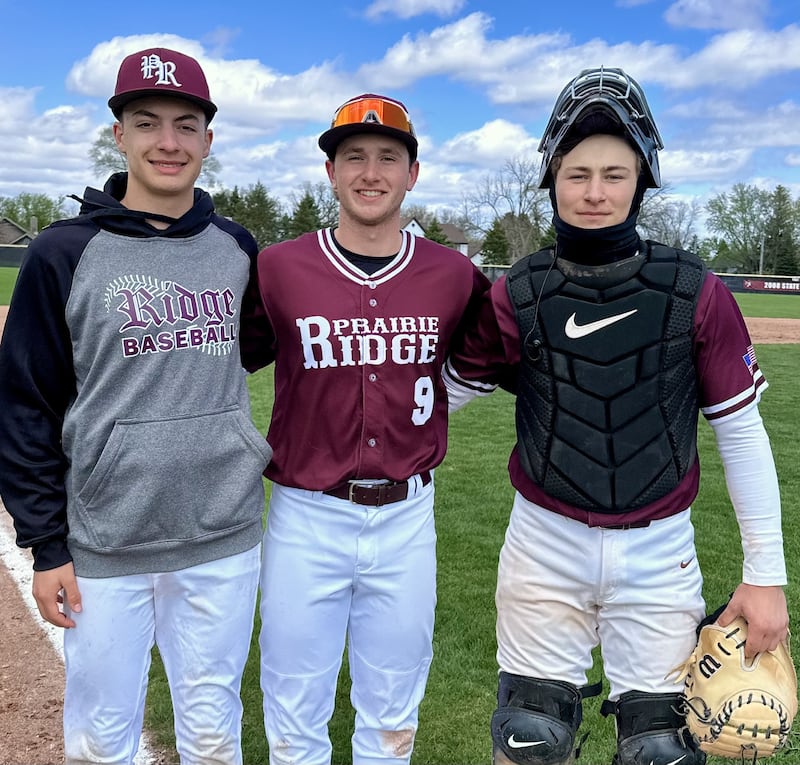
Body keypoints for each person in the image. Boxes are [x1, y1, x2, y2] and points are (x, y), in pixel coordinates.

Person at [443, 66, 789, 765]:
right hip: (543, 541)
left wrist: (765, 575)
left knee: (660, 749)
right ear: (552, 178)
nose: (595, 192)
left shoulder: (695, 292)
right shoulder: (518, 293)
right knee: (530, 738)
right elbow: (440, 397)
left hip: (659, 550)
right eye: (577, 174)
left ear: (642, 180)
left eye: (614, 174)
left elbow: (742, 434)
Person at [0, 47, 271, 765]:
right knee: (99, 739)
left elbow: (252, 349)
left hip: (222, 533)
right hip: (104, 540)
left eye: (187, 125)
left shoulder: (235, 247)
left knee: (212, 732)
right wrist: (47, 544)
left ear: (208, 140)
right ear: (119, 134)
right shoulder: (62, 252)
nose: (168, 142)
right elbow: (24, 403)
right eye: (147, 122)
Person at [239, 93, 491, 765]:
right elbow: (229, 360)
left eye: (388, 157)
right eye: (354, 157)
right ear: (330, 172)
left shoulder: (452, 274)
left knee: (393, 716)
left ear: (413, 173)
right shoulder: (278, 267)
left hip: (408, 516)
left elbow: (489, 356)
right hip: (306, 513)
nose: (371, 173)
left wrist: (435, 403)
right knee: (294, 710)